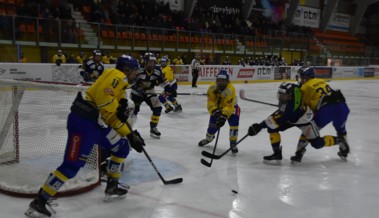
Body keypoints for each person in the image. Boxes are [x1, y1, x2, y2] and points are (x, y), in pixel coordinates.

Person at [25, 55, 145, 218]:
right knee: (71, 166)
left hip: (97, 125)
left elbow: (112, 117)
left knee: (122, 147)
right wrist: (119, 111)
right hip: (84, 124)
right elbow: (105, 103)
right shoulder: (118, 76)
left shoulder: (119, 84)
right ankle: (40, 200)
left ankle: (112, 185)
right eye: (135, 71)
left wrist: (130, 136)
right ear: (127, 70)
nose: (136, 75)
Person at [247, 82, 348, 164]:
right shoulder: (294, 90)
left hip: (305, 120)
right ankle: (277, 153)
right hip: (293, 118)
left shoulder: (291, 108)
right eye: (280, 94)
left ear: (290, 95)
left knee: (317, 144)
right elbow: (297, 86)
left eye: (284, 95)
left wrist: (259, 126)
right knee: (272, 128)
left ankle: (339, 140)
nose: (281, 97)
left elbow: (278, 118)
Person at [290, 67, 350, 162]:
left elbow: (303, 106)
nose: (300, 79)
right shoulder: (320, 81)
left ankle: (299, 153)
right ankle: (344, 150)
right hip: (343, 107)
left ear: (307, 77)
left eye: (301, 77)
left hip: (327, 110)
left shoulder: (306, 87)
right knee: (341, 129)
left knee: (309, 130)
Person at [198, 70, 240, 153]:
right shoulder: (212, 87)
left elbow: (228, 106)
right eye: (219, 80)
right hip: (217, 108)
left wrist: (223, 116)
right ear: (216, 80)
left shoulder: (230, 89)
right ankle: (208, 139)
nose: (220, 83)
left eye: (223, 81)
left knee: (234, 126)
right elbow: (210, 101)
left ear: (227, 81)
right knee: (212, 127)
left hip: (232, 108)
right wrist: (214, 111)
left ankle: (233, 143)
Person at [130, 52, 168, 139]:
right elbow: (130, 81)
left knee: (157, 108)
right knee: (133, 111)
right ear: (145, 62)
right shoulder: (138, 70)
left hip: (150, 92)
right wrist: (138, 88)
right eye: (149, 62)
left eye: (153, 62)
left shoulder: (157, 71)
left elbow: (162, 81)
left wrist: (169, 87)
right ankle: (129, 128)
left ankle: (153, 128)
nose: (151, 64)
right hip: (136, 94)